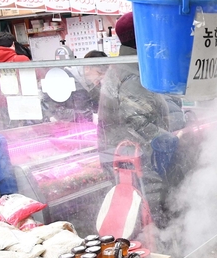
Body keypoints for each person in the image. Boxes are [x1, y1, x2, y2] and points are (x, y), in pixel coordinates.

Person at [98, 12, 173, 229]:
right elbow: (138, 122)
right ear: (142, 38)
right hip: (139, 162)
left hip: (127, 160)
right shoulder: (132, 73)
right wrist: (169, 139)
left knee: (138, 218)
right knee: (151, 220)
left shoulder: (124, 67)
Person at [45, 50, 107, 122]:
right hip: (66, 127)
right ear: (87, 68)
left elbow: (98, 105)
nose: (102, 77)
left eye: (104, 74)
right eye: (99, 73)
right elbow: (57, 112)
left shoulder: (93, 83)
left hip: (84, 127)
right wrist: (89, 116)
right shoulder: (63, 80)